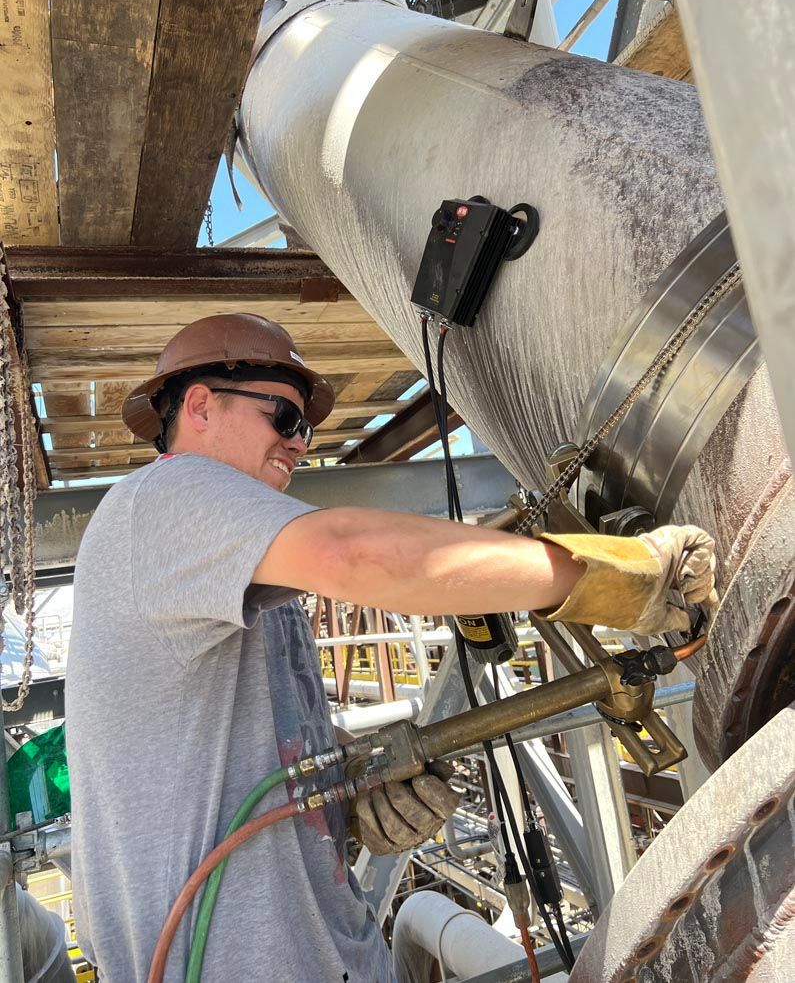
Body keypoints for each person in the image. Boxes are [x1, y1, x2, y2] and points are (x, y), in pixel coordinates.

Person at [65, 313, 717, 982]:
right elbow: (354, 553)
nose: (298, 444)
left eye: (304, 429)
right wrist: (613, 578)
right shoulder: (165, 495)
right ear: (200, 405)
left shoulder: (226, 562)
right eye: (282, 417)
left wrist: (353, 800)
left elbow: (239, 756)